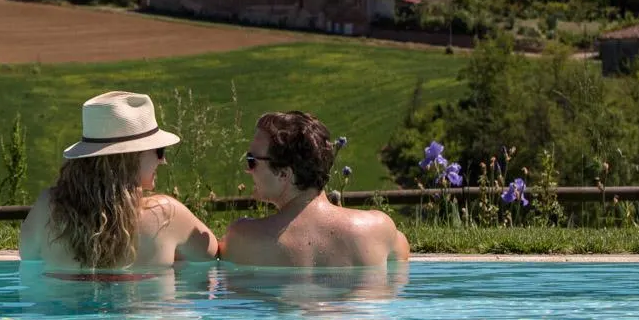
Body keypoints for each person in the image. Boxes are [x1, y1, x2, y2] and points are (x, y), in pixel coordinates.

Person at [20, 90, 219, 275]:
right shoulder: (167, 216)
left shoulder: (48, 208)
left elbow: (28, 257)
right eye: (159, 151)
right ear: (132, 159)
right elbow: (212, 257)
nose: (162, 160)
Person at [220, 110, 409, 267]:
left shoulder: (244, 237)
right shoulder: (378, 229)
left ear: (284, 174)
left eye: (252, 161)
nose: (247, 169)